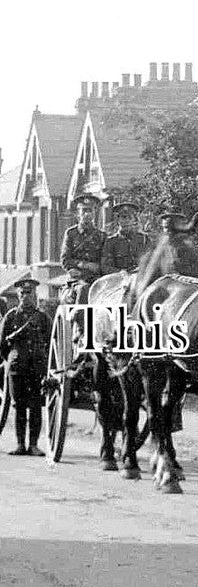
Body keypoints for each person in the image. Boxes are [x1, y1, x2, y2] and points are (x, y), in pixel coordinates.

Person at [0, 280, 51, 456]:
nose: (26, 297)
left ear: (35, 295)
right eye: (22, 293)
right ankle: (21, 444)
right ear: (18, 295)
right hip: (17, 367)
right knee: (19, 406)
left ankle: (34, 445)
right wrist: (13, 358)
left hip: (36, 367)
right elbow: (2, 346)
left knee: (36, 406)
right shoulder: (11, 317)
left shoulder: (43, 318)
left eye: (29, 293)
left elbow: (51, 342)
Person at [59, 191, 105, 304]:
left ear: (95, 213)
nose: (87, 214)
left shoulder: (102, 236)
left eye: (90, 211)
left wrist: (98, 268)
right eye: (84, 211)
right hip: (77, 279)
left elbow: (105, 261)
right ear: (77, 214)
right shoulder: (71, 234)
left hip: (97, 278)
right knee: (84, 290)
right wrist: (84, 265)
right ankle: (80, 320)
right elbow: (65, 260)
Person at [101, 202, 151, 275]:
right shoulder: (111, 241)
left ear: (134, 220)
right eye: (123, 217)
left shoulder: (144, 239)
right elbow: (105, 267)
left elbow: (151, 261)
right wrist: (120, 272)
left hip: (141, 278)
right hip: (119, 279)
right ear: (118, 220)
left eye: (130, 218)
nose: (127, 220)